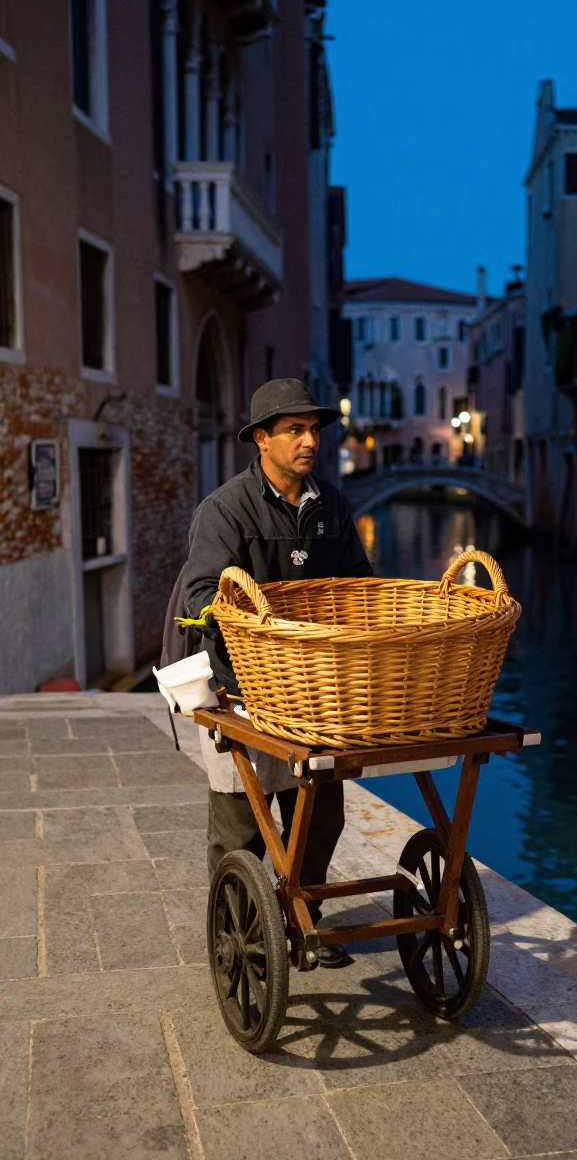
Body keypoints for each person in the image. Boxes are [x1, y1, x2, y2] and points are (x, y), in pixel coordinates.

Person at [184, 377, 373, 967]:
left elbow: (362, 588)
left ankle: (301, 922)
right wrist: (245, 630)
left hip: (320, 695)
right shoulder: (224, 509)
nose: (308, 441)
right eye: (294, 430)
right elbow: (198, 594)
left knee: (321, 820)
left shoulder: (333, 507)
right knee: (242, 825)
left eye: (313, 429)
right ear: (261, 440)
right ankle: (234, 938)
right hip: (245, 691)